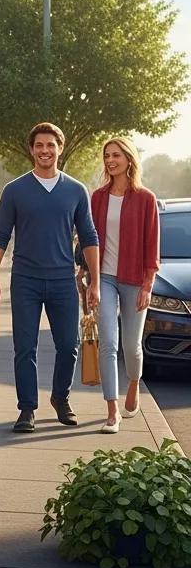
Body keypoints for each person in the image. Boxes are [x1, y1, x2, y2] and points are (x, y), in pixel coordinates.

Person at [0, 122, 100, 433]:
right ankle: (27, 408)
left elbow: (89, 236)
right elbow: (0, 235)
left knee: (69, 345)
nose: (45, 151)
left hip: (63, 280)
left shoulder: (76, 190)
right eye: (39, 145)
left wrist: (96, 283)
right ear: (32, 149)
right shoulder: (15, 190)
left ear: (60, 148)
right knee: (25, 346)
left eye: (51, 145)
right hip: (25, 280)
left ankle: (60, 398)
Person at [90, 138, 159, 434]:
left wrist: (148, 284)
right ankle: (112, 410)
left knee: (131, 346)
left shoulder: (145, 198)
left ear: (129, 159)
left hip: (134, 279)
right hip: (103, 277)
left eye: (116, 155)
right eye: (107, 155)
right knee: (108, 342)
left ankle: (133, 382)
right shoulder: (98, 197)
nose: (110, 160)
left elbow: (152, 244)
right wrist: (89, 281)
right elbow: (90, 239)